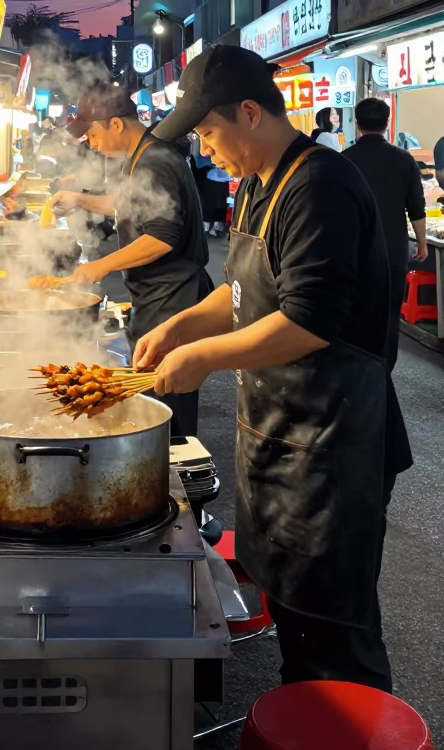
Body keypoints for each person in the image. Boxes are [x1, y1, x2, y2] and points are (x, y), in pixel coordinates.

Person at [142, 44, 411, 692]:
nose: (204, 150)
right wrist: (181, 325)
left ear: (250, 113)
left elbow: (308, 321)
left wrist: (202, 356)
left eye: (208, 133)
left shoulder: (320, 185)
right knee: (297, 637)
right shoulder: (257, 186)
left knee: (338, 647)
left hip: (332, 453)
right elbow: (240, 293)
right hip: (281, 445)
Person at [50, 83, 210, 437]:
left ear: (117, 125)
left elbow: (162, 237)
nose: (90, 143)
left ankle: (173, 482)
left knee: (167, 407)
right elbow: (127, 206)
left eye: (92, 134)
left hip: (173, 299)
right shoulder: (137, 157)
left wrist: (100, 266)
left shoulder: (155, 160)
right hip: (155, 298)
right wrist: (80, 199)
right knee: (152, 396)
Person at [345, 97, 427, 369]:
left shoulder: (344, 161)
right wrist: (422, 243)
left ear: (357, 124)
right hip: (393, 252)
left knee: (353, 312)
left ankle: (357, 369)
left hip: (353, 254)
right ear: (387, 123)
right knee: (390, 316)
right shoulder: (404, 160)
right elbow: (417, 206)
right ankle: (384, 369)